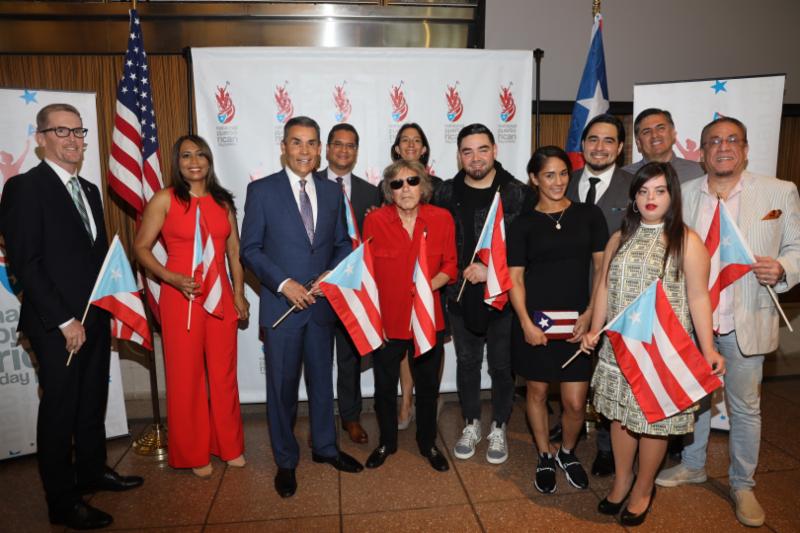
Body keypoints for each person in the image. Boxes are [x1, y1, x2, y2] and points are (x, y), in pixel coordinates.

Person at [0, 103, 143, 529]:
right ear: (41, 138)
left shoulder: (91, 191)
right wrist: (65, 321)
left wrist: (108, 307)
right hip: (56, 324)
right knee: (61, 410)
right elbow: (26, 263)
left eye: (78, 131)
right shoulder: (25, 188)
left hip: (95, 316)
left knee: (91, 401)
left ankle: (93, 470)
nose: (73, 139)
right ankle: (62, 502)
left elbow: (93, 259)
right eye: (61, 132)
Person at [656, 117, 800, 527]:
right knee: (696, 399)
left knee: (745, 407)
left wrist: (785, 266)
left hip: (747, 318)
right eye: (714, 141)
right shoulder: (681, 195)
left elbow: (797, 247)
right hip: (694, 321)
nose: (724, 147)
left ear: (746, 148)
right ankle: (694, 464)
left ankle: (743, 484)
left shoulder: (779, 191)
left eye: (733, 140)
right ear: (700, 153)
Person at [581, 161, 725, 526]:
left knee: (653, 422)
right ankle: (622, 479)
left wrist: (707, 349)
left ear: (672, 197)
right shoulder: (619, 237)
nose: (650, 198)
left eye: (659, 191)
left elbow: (699, 298)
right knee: (621, 420)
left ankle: (644, 488)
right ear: (633, 198)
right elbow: (603, 288)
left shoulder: (686, 241)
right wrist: (594, 330)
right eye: (643, 191)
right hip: (619, 349)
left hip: (660, 353)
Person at [240, 116, 363, 499]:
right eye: (297, 143)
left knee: (322, 384)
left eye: (312, 143)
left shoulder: (331, 192)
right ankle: (286, 461)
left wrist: (333, 272)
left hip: (322, 307)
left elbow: (343, 242)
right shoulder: (261, 191)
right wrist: (283, 283)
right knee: (282, 389)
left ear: (320, 148)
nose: (305, 151)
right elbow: (250, 250)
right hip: (282, 308)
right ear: (283, 147)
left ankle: (326, 448)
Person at [134, 135, 248, 478]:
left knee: (224, 375)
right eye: (186, 155)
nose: (194, 161)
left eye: (200, 154)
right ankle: (194, 452)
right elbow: (141, 247)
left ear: (210, 161)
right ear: (177, 162)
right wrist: (171, 277)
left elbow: (234, 254)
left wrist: (239, 294)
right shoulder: (164, 200)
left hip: (221, 298)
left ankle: (229, 446)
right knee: (186, 378)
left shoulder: (223, 202)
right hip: (181, 298)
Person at [508, 146, 607, 493]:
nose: (557, 181)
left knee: (575, 402)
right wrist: (525, 323)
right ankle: (544, 454)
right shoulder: (521, 224)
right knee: (536, 392)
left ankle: (566, 451)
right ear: (534, 179)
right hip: (537, 323)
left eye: (563, 173)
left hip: (579, 322)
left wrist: (592, 314)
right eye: (549, 175)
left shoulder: (589, 215)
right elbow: (515, 279)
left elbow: (601, 269)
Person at [433, 123, 533, 465]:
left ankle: (500, 425)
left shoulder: (517, 193)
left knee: (502, 367)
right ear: (459, 156)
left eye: (482, 149)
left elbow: (529, 247)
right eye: (467, 151)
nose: (476, 158)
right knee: (468, 363)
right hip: (460, 296)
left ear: (495, 150)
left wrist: (494, 273)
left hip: (503, 296)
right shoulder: (445, 192)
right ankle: (472, 423)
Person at [362, 159, 457, 472]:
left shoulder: (442, 219)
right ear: (389, 191)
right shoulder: (375, 221)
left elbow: (450, 268)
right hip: (388, 323)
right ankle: (386, 442)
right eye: (397, 183)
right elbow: (368, 275)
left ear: (424, 185)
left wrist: (426, 287)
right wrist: (375, 321)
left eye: (412, 181)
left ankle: (427, 442)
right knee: (385, 388)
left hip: (427, 320)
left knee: (428, 388)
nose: (405, 189)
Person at [565, 113, 634, 477]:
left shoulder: (636, 186)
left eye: (608, 140)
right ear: (583, 144)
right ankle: (569, 423)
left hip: (615, 299)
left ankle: (607, 446)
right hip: (566, 293)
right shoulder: (564, 179)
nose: (600, 147)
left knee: (609, 372)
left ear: (620, 148)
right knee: (568, 364)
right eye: (593, 139)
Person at [317, 123, 380, 444]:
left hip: (353, 290)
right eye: (338, 144)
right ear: (327, 149)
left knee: (349, 358)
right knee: (315, 359)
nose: (344, 150)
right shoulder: (307, 185)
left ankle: (351, 417)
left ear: (357, 151)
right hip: (315, 288)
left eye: (351, 145)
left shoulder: (372, 192)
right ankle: (320, 422)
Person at [389, 122, 439, 429]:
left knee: (433, 339)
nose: (410, 144)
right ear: (397, 147)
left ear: (423, 148)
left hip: (434, 281)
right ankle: (406, 396)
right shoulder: (391, 184)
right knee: (403, 342)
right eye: (404, 140)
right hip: (400, 281)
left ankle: (427, 397)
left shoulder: (440, 186)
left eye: (416, 140)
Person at [623, 108, 705, 183]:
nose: (654, 135)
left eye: (661, 128)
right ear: (638, 143)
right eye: (647, 132)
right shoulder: (624, 177)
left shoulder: (698, 173)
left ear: (673, 135)